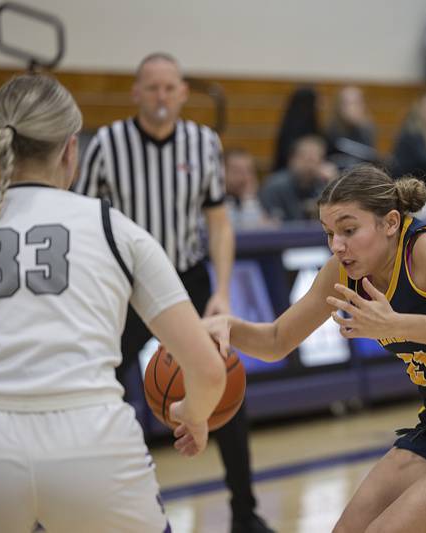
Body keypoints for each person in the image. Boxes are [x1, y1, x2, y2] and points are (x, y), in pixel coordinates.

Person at [204, 164, 426, 532]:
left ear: (391, 223)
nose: (337, 245)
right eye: (330, 233)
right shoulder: (343, 271)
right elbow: (276, 341)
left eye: (349, 230)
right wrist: (228, 328)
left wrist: (396, 323)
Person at [0, 74, 226, 533]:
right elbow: (209, 370)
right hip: (91, 444)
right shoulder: (114, 228)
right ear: (70, 149)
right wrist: (190, 416)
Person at [73, 53, 273, 533]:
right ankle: (109, 506)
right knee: (104, 391)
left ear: (183, 93)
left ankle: (245, 514)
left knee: (226, 388)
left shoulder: (204, 143)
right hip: (125, 285)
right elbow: (82, 220)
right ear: (136, 93)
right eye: (152, 87)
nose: (161, 96)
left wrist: (222, 291)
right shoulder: (106, 145)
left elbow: (219, 225)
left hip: (186, 279)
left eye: (169, 88)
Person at [259, 135, 337, 222]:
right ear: (292, 159)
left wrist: (333, 183)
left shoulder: (323, 183)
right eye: (308, 159)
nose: (310, 166)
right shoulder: (275, 186)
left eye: (317, 160)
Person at [224, 148, 272, 230]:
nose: (245, 177)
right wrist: (248, 199)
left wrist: (249, 200)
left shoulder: (265, 197)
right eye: (237, 171)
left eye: (249, 171)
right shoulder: (213, 202)